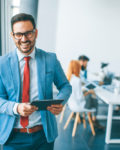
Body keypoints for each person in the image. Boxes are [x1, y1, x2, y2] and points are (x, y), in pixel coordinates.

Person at [0, 13, 72, 150]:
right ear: (12, 35)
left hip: (43, 136)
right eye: (19, 34)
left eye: (28, 33)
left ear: (36, 33)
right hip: (13, 137)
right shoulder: (2, 64)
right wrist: (16, 108)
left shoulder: (50, 59)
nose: (24, 39)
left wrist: (60, 102)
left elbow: (65, 86)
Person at [67, 60, 104, 129]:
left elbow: (75, 93)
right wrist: (88, 92)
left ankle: (93, 119)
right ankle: (94, 119)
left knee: (91, 96)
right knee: (94, 98)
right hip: (79, 105)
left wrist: (83, 90)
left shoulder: (69, 78)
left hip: (71, 104)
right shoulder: (77, 80)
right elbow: (79, 98)